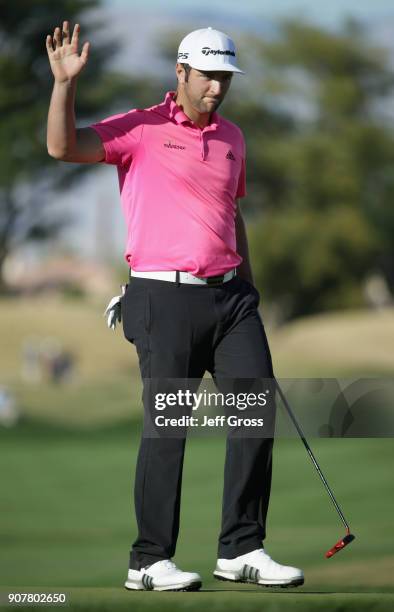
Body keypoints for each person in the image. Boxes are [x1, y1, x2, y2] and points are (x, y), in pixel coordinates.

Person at [46, 22, 304, 592]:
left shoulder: (234, 137)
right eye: (208, 76)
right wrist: (64, 85)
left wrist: (250, 289)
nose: (217, 88)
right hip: (163, 296)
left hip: (233, 297)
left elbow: (231, 214)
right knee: (169, 426)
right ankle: (148, 560)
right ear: (181, 72)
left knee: (254, 416)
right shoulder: (141, 128)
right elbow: (63, 148)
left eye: (225, 78)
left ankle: (241, 548)